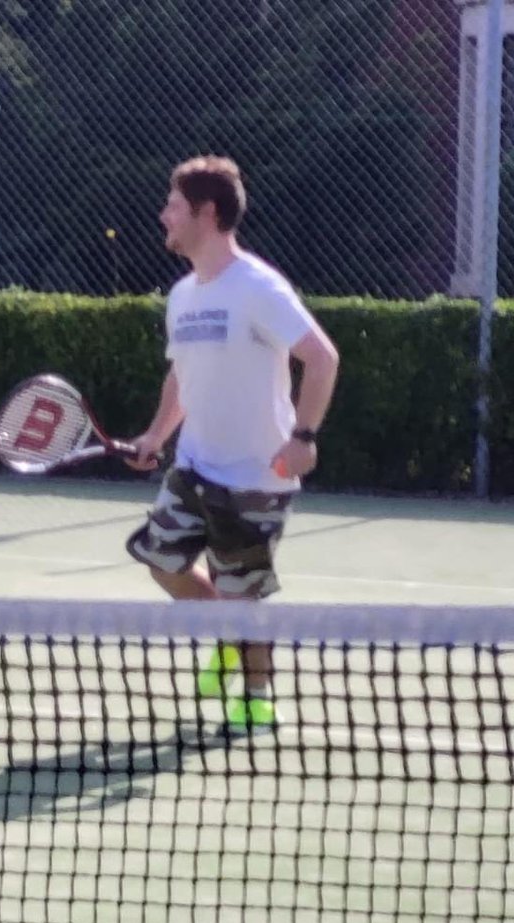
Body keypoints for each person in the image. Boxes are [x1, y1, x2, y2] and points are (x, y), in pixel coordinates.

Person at [125, 155, 339, 731]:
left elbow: (322, 358)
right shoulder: (181, 296)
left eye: (173, 206)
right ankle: (229, 632)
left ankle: (257, 696)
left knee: (244, 595)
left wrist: (304, 437)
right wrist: (155, 434)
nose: (163, 215)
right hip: (194, 467)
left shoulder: (258, 288)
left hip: (255, 477)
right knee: (162, 561)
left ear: (206, 212)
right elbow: (181, 377)